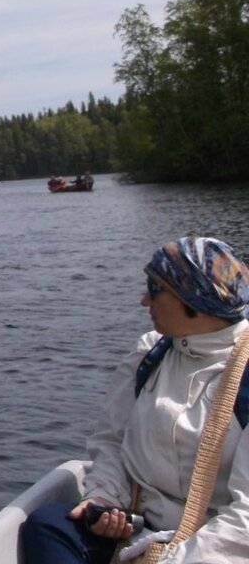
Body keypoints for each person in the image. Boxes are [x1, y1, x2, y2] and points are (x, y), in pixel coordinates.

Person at [20, 236, 249, 563]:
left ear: (195, 299)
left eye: (154, 289)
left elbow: (246, 518)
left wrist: (173, 560)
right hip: (144, 526)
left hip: (217, 542)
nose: (144, 300)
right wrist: (104, 499)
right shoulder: (151, 352)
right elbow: (112, 441)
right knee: (48, 526)